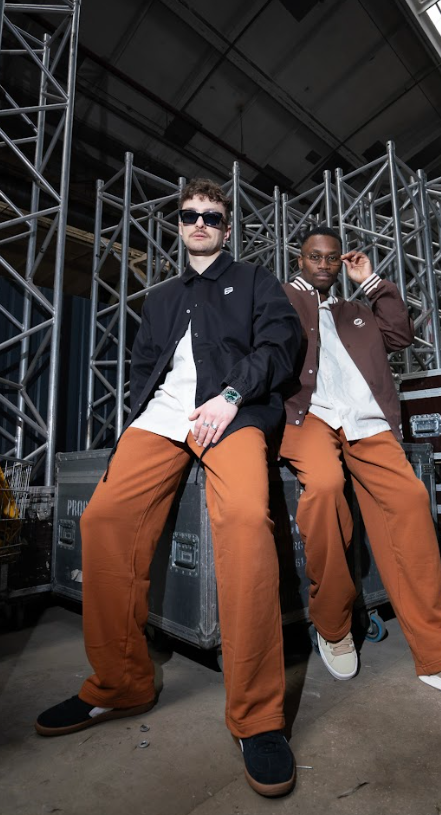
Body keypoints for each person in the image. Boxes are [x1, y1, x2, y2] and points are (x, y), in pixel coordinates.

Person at [35, 179, 302, 798]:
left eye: (213, 215)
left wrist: (231, 395)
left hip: (231, 413)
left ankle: (258, 717)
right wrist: (139, 417)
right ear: (178, 226)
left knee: (245, 521)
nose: (200, 223)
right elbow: (143, 366)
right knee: (103, 520)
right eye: (189, 215)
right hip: (161, 420)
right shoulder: (160, 299)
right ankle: (121, 683)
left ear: (228, 227)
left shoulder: (256, 281)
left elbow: (282, 344)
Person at [279, 225, 441, 711]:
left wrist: (371, 282)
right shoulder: (283, 299)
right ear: (300, 260)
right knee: (325, 488)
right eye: (314, 256)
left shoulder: (356, 311)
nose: (324, 264)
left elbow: (400, 335)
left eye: (332, 258)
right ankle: (333, 625)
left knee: (410, 500)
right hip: (307, 417)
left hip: (366, 421)